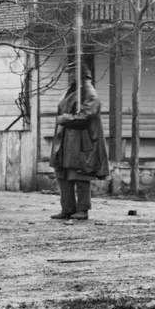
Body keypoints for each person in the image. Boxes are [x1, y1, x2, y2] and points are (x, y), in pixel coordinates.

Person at [49, 74, 108, 223]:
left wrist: (66, 119)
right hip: (66, 139)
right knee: (63, 173)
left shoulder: (88, 91)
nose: (69, 76)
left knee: (80, 175)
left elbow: (86, 116)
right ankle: (67, 209)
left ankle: (82, 209)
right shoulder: (72, 91)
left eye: (73, 73)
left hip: (81, 140)